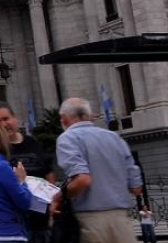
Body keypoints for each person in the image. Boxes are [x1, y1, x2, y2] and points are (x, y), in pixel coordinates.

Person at [52, 98, 143, 243]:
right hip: (121, 218)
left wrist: (59, 197)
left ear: (64, 118)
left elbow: (83, 180)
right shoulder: (114, 137)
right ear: (90, 115)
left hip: (90, 219)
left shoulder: (68, 138)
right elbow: (136, 188)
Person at [0, 101, 55, 243]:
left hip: (41, 221)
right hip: (13, 224)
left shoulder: (32, 142)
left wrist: (52, 203)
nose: (4, 124)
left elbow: (48, 173)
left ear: (14, 118)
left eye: (6, 119)